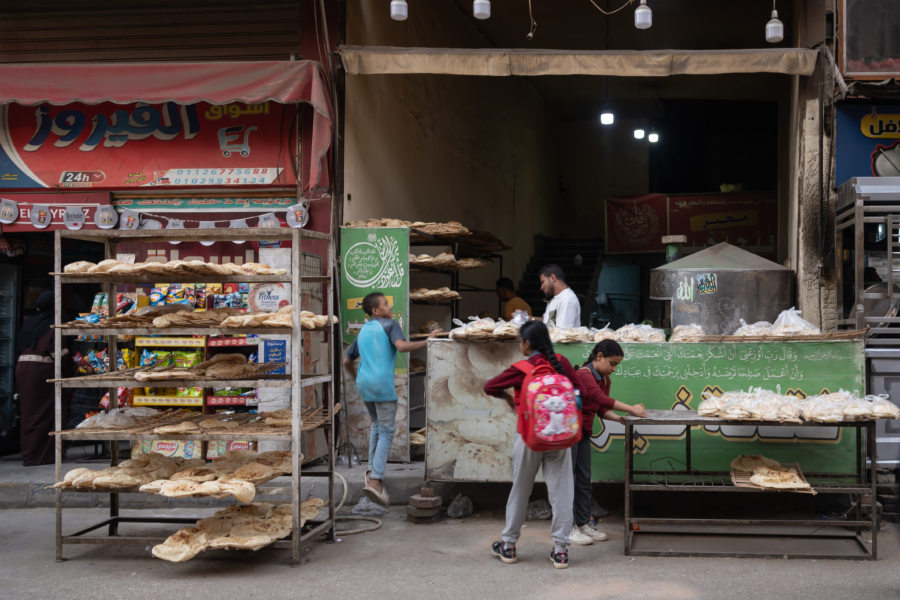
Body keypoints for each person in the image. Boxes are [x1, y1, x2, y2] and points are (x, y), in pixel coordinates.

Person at [483, 320, 583, 569]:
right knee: (562, 493)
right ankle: (560, 551)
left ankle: (509, 546)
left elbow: (490, 386)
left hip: (528, 437)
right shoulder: (562, 363)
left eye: (521, 341)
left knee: (520, 490)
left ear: (527, 343)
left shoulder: (522, 368)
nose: (520, 345)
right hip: (560, 438)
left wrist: (508, 397)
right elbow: (579, 393)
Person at [343, 292, 440, 505]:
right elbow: (402, 346)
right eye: (386, 304)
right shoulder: (390, 324)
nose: (390, 307)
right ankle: (376, 481)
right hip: (381, 384)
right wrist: (428, 340)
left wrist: (357, 377)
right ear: (376, 311)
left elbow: (347, 360)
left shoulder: (363, 330)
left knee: (377, 426)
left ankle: (371, 473)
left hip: (364, 383)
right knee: (387, 431)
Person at [568, 339, 647, 546]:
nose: (613, 369)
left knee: (583, 478)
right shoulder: (584, 375)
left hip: (583, 434)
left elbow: (601, 409)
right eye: (612, 363)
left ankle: (583, 523)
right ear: (599, 357)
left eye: (616, 365)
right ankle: (568, 527)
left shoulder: (604, 379)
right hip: (570, 433)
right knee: (568, 479)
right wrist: (631, 409)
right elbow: (598, 398)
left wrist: (619, 419)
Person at [16, 291, 62, 466]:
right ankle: (41, 455)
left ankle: (28, 454)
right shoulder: (52, 324)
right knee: (43, 413)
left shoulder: (30, 323)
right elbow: (56, 352)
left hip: (22, 369)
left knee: (28, 413)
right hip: (42, 371)